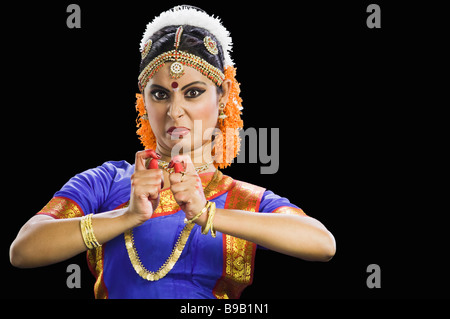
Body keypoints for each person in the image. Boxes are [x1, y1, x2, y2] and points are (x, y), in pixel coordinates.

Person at [9, 5, 335, 299]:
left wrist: (207, 214)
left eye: (193, 93)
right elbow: (24, 250)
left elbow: (322, 245)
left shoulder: (243, 199)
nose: (175, 111)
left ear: (222, 98)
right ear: (143, 102)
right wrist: (127, 216)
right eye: (160, 94)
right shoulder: (108, 181)